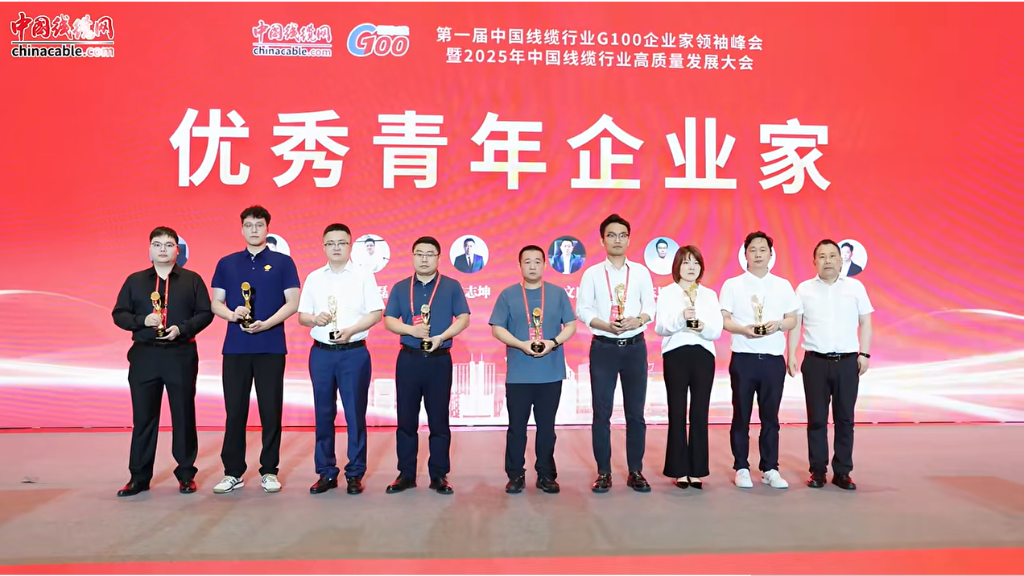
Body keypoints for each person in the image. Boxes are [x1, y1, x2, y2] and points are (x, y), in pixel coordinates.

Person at [112, 226, 214, 497]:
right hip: (145, 355)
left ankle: (186, 474)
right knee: (143, 418)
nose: (163, 250)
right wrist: (142, 320)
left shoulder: (192, 280)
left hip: (180, 354)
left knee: (183, 415)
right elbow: (119, 314)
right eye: (157, 245)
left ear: (177, 250)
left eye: (169, 245)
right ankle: (139, 477)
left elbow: (205, 313)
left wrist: (182, 328)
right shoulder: (135, 281)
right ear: (149, 249)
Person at [209, 205, 300, 494]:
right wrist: (232, 315)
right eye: (248, 225)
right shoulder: (227, 263)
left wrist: (268, 323)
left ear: (267, 229)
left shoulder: (283, 262)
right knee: (234, 411)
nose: (254, 230)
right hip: (235, 348)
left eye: (259, 225)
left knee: (270, 411)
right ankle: (232, 472)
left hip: (271, 346)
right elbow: (216, 303)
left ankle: (269, 470)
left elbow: (293, 302)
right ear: (241, 229)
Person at [297, 223, 384, 495]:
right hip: (321, 354)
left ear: (350, 246)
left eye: (341, 243)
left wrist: (352, 330)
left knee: (355, 414)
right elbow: (302, 316)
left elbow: (376, 313)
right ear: (323, 246)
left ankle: (355, 473)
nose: (336, 248)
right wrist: (315, 319)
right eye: (331, 243)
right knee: (323, 413)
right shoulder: (314, 278)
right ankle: (326, 472)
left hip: (354, 353)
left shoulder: (363, 276)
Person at [383, 236, 471, 494]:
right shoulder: (401, 287)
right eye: (419, 254)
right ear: (412, 256)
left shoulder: (451, 286)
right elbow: (389, 320)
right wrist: (412, 330)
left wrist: (441, 337)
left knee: (439, 420)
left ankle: (439, 475)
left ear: (439, 258)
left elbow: (463, 318)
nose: (424, 259)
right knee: (406, 420)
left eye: (430, 254)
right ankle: (406, 474)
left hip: (439, 360)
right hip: (408, 359)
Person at [576, 214, 657, 493]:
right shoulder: (592, 273)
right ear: (602, 240)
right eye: (611, 235)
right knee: (602, 413)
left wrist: (639, 319)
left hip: (635, 347)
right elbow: (583, 309)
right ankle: (604, 472)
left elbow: (650, 305)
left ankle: (636, 471)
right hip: (604, 347)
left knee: (636, 413)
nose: (617, 240)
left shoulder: (641, 272)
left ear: (629, 239)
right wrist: (604, 324)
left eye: (622, 235)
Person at [489, 245, 577, 494]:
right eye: (527, 261)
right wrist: (521, 344)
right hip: (519, 374)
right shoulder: (508, 295)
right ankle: (515, 475)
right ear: (519, 266)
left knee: (547, 428)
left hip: (550, 373)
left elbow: (571, 325)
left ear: (545, 265)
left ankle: (546, 474)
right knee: (516, 428)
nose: (532, 266)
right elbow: (497, 328)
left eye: (537, 261)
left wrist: (553, 342)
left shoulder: (558, 294)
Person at [788, 239, 873, 491]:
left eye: (832, 255)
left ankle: (843, 472)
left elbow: (866, 322)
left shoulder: (855, 287)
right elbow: (796, 324)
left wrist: (864, 353)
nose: (828, 261)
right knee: (816, 419)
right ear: (814, 261)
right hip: (814, 362)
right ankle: (817, 470)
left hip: (847, 363)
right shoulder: (804, 289)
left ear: (841, 259)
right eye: (822, 256)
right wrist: (791, 354)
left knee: (845, 419)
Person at [720, 231, 800, 490]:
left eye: (762, 249)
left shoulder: (783, 285)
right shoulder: (733, 284)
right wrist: (743, 329)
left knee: (770, 418)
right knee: (741, 415)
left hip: (773, 360)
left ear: (770, 254)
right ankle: (741, 467)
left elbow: (792, 319)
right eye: (752, 250)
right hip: (744, 358)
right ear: (745, 254)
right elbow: (724, 319)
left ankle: (770, 468)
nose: (757, 254)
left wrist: (778, 325)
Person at [654, 245, 723, 490]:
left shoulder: (709, 295)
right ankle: (678, 469)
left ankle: (697, 470)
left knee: (699, 413)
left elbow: (716, 330)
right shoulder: (667, 293)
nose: (691, 267)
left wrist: (702, 326)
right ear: (677, 267)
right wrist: (682, 318)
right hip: (675, 355)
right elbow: (660, 327)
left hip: (703, 355)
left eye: (695, 262)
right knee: (677, 411)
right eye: (686, 262)